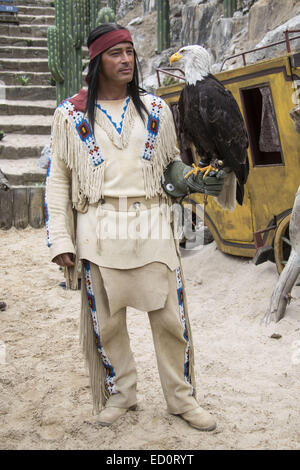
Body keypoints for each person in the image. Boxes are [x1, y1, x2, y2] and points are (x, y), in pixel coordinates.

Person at [45, 23, 229, 431]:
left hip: (151, 221)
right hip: (98, 224)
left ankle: (181, 399)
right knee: (107, 324)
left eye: (130, 51)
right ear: (97, 62)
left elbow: (167, 167)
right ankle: (121, 395)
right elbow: (57, 180)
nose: (126, 59)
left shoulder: (158, 109)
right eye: (116, 53)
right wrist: (60, 236)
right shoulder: (70, 114)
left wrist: (191, 178)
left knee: (169, 319)